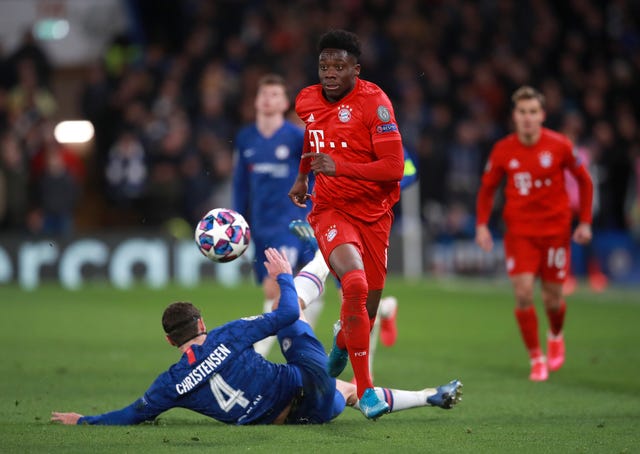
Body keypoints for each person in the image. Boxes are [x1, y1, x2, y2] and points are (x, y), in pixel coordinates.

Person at [51, 248, 463, 425]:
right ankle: (325, 265)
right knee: (290, 324)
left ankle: (429, 395)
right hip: (302, 384)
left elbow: (132, 414)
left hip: (301, 419)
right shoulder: (227, 335)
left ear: (169, 341)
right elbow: (285, 311)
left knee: (349, 393)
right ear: (201, 325)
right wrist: (283, 274)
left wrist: (83, 420)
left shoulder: (170, 383)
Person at [288, 29, 404, 419]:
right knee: (353, 282)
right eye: (324, 65)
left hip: (374, 214)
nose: (330, 73)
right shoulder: (306, 99)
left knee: (365, 310)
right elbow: (313, 136)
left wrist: (341, 166)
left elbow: (393, 168)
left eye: (339, 66)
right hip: (331, 209)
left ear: (357, 69)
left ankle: (341, 341)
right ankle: (366, 391)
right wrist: (304, 177)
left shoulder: (376, 104)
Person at [475, 86, 594, 382]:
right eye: (522, 112)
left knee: (553, 299)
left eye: (532, 112)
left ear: (542, 115)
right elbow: (488, 189)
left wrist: (585, 222)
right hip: (519, 232)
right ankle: (536, 358)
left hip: (555, 231)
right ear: (514, 116)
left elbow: (585, 181)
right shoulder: (503, 149)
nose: (527, 118)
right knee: (524, 292)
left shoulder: (560, 145)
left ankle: (555, 334)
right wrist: (481, 225)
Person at [232, 73, 319, 358]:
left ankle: (255, 358)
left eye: (274, 95)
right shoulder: (246, 138)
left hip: (292, 224)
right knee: (303, 286)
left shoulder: (297, 138)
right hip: (261, 225)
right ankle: (310, 350)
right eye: (264, 94)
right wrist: (237, 219)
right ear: (256, 100)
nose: (268, 99)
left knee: (276, 290)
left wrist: (313, 210)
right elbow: (241, 184)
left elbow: (314, 175)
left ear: (284, 103)